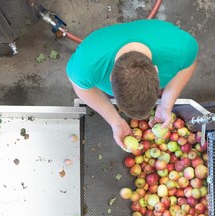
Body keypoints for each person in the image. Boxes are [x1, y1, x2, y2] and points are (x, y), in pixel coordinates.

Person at [66, 20, 198, 149]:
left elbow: (189, 64)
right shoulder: (86, 65)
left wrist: (166, 105)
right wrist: (115, 121)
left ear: (156, 71)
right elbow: (82, 88)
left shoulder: (180, 47)